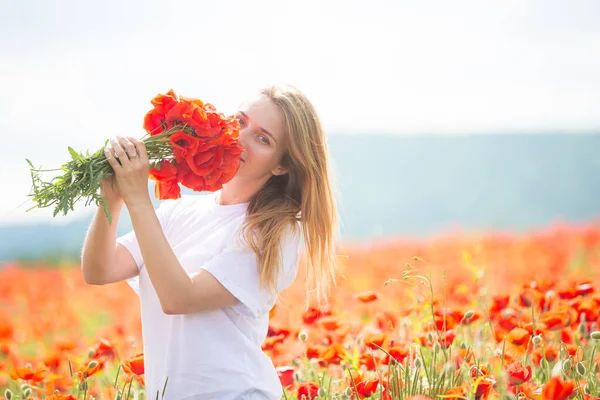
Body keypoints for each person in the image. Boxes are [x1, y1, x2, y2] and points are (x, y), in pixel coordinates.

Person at [80, 83, 340, 399]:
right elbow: (99, 270)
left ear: (281, 164)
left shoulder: (273, 234)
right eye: (241, 122)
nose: (241, 139)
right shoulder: (180, 211)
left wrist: (138, 200)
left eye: (262, 139)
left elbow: (180, 298)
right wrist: (112, 199)